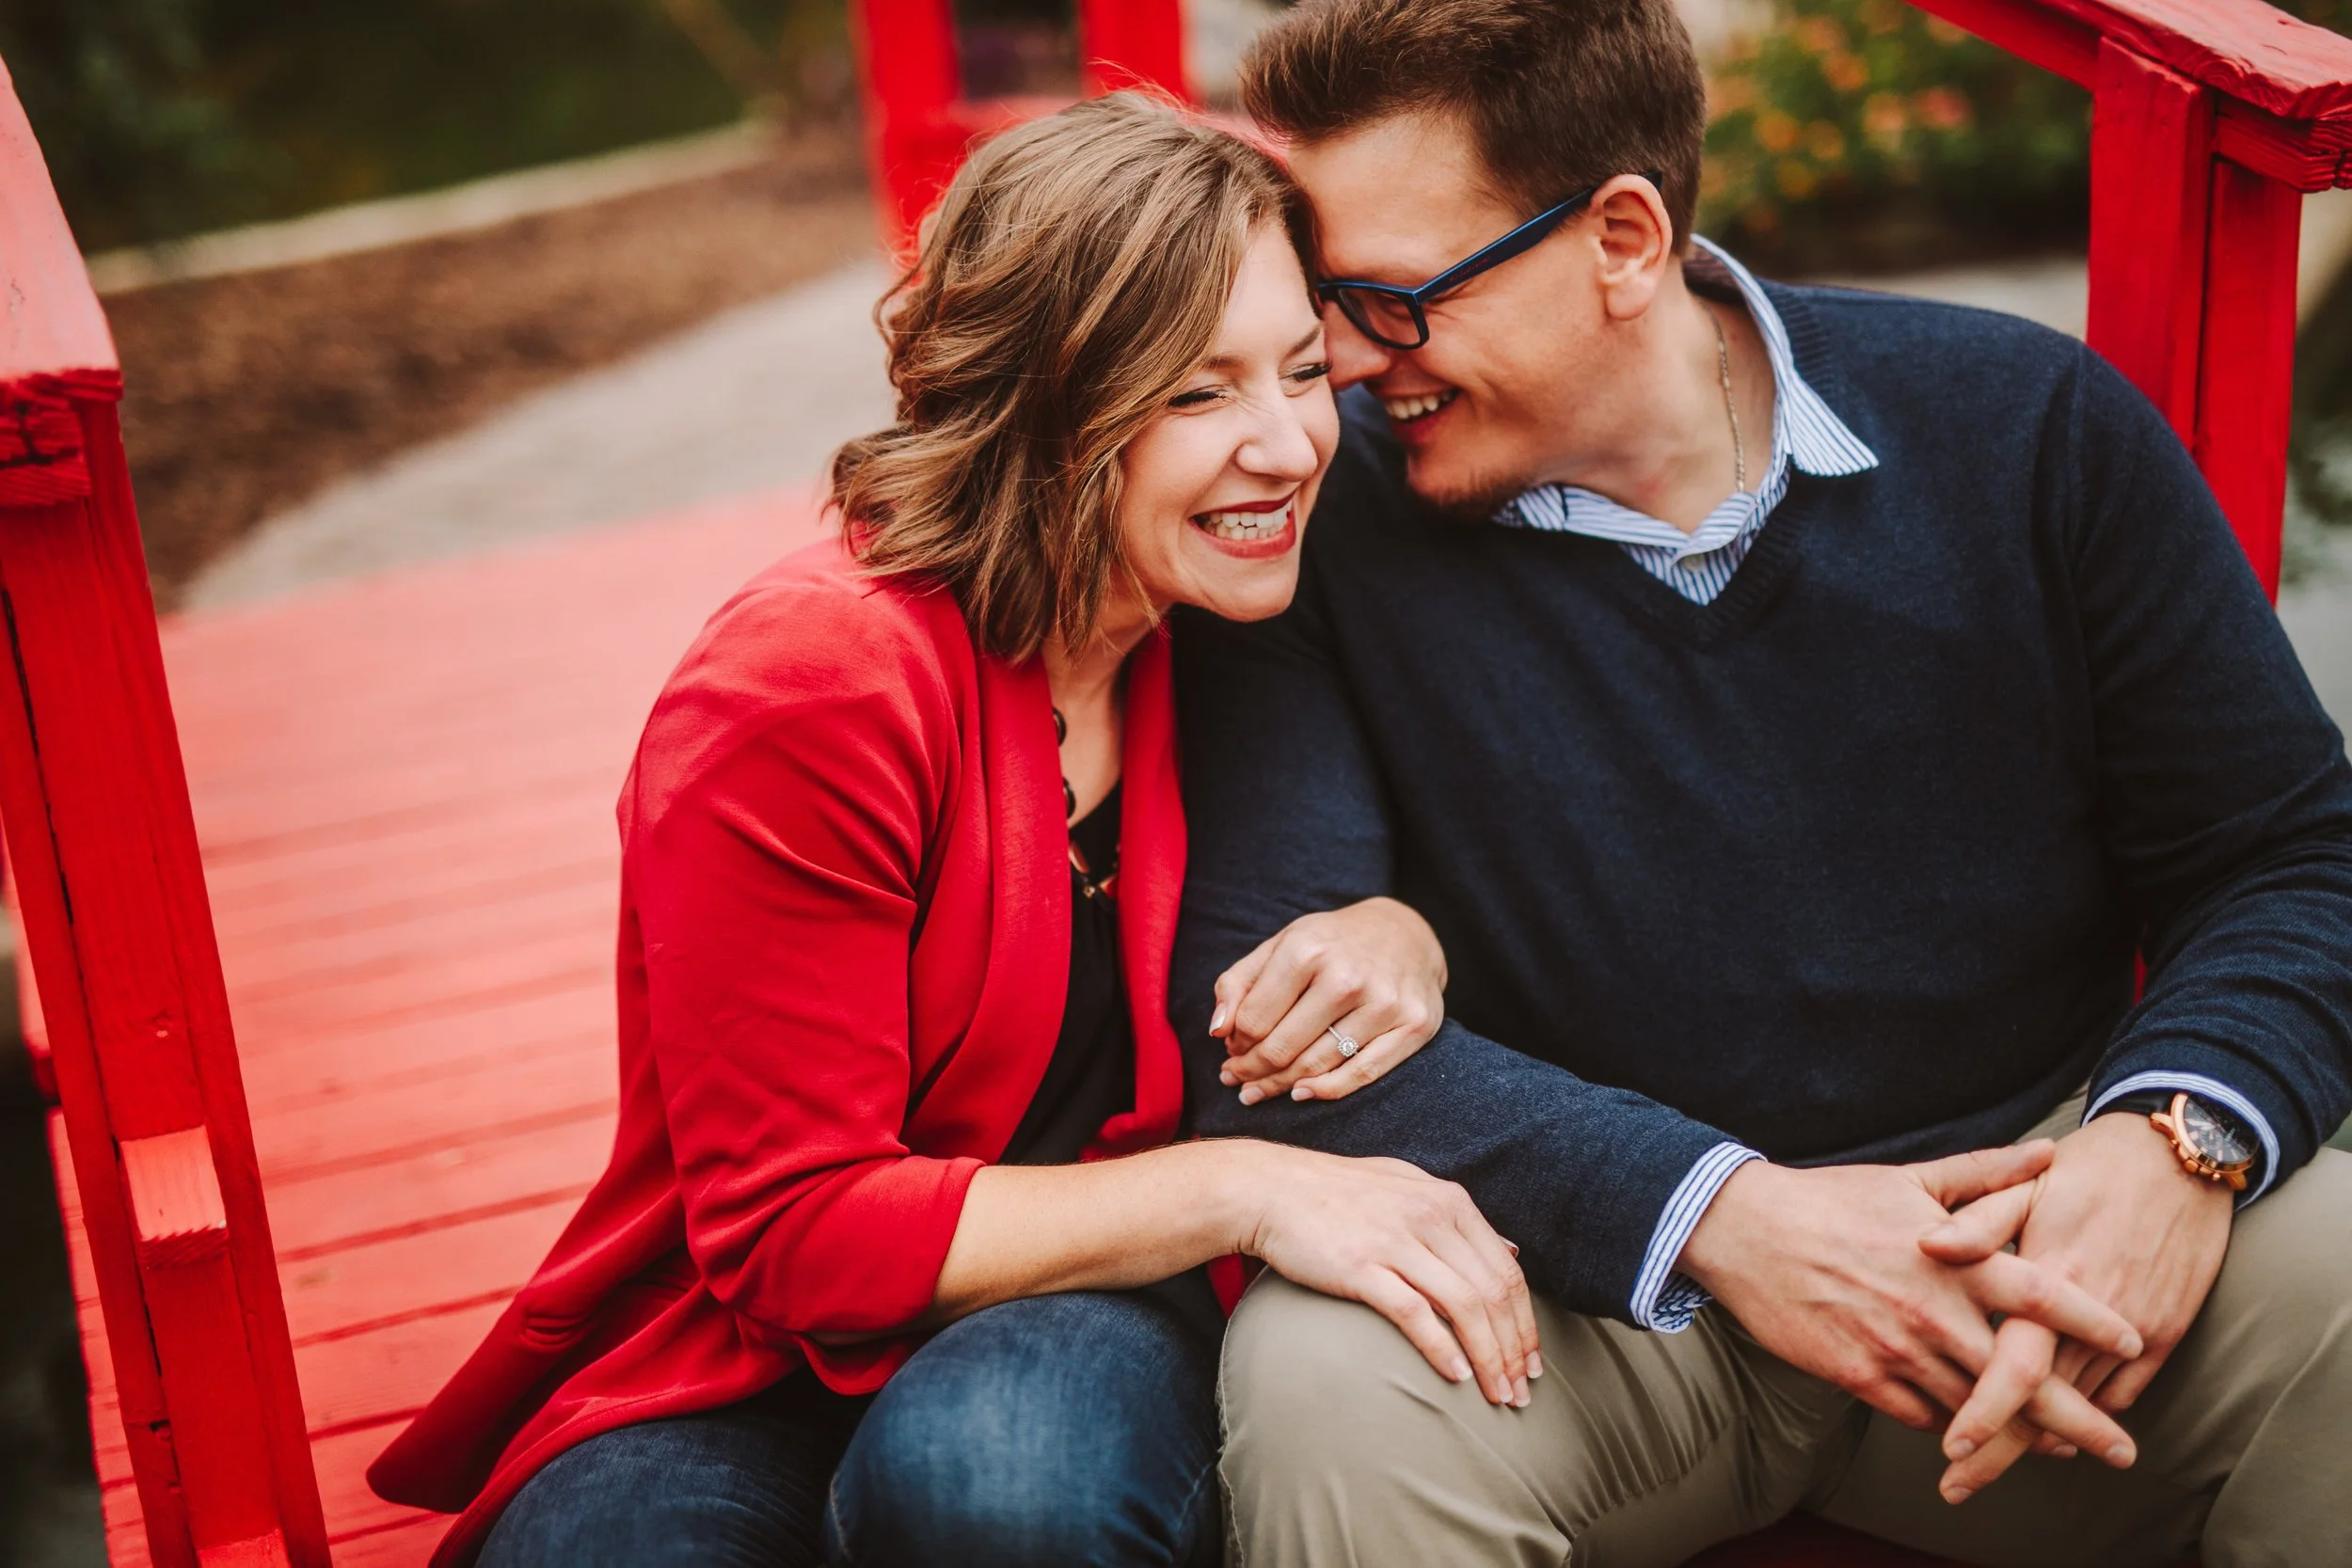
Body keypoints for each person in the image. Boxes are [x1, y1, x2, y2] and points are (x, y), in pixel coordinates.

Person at [1172, 2, 2352, 1564]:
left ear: (1621, 235)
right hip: (1600, 1297)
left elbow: (2292, 855)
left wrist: (2174, 1135)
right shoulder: (1323, 533)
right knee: (1326, 1385)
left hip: (2030, 1232)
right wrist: (1723, 1213)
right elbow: (1269, 1036)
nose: (1339, 362)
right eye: (1332, 300)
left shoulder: (2027, 427)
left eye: (1393, 301)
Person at [366, 93, 1541, 1568]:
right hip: (750, 1352)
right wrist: (1251, 1184)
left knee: (999, 1490)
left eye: (1303, 369)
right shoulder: (806, 689)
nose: (1288, 443)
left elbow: (1440, 832)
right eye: (1194, 394)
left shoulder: (1228, 606)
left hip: (1091, 1303)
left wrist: (1399, 921)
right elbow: (796, 1229)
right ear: (1036, 407)